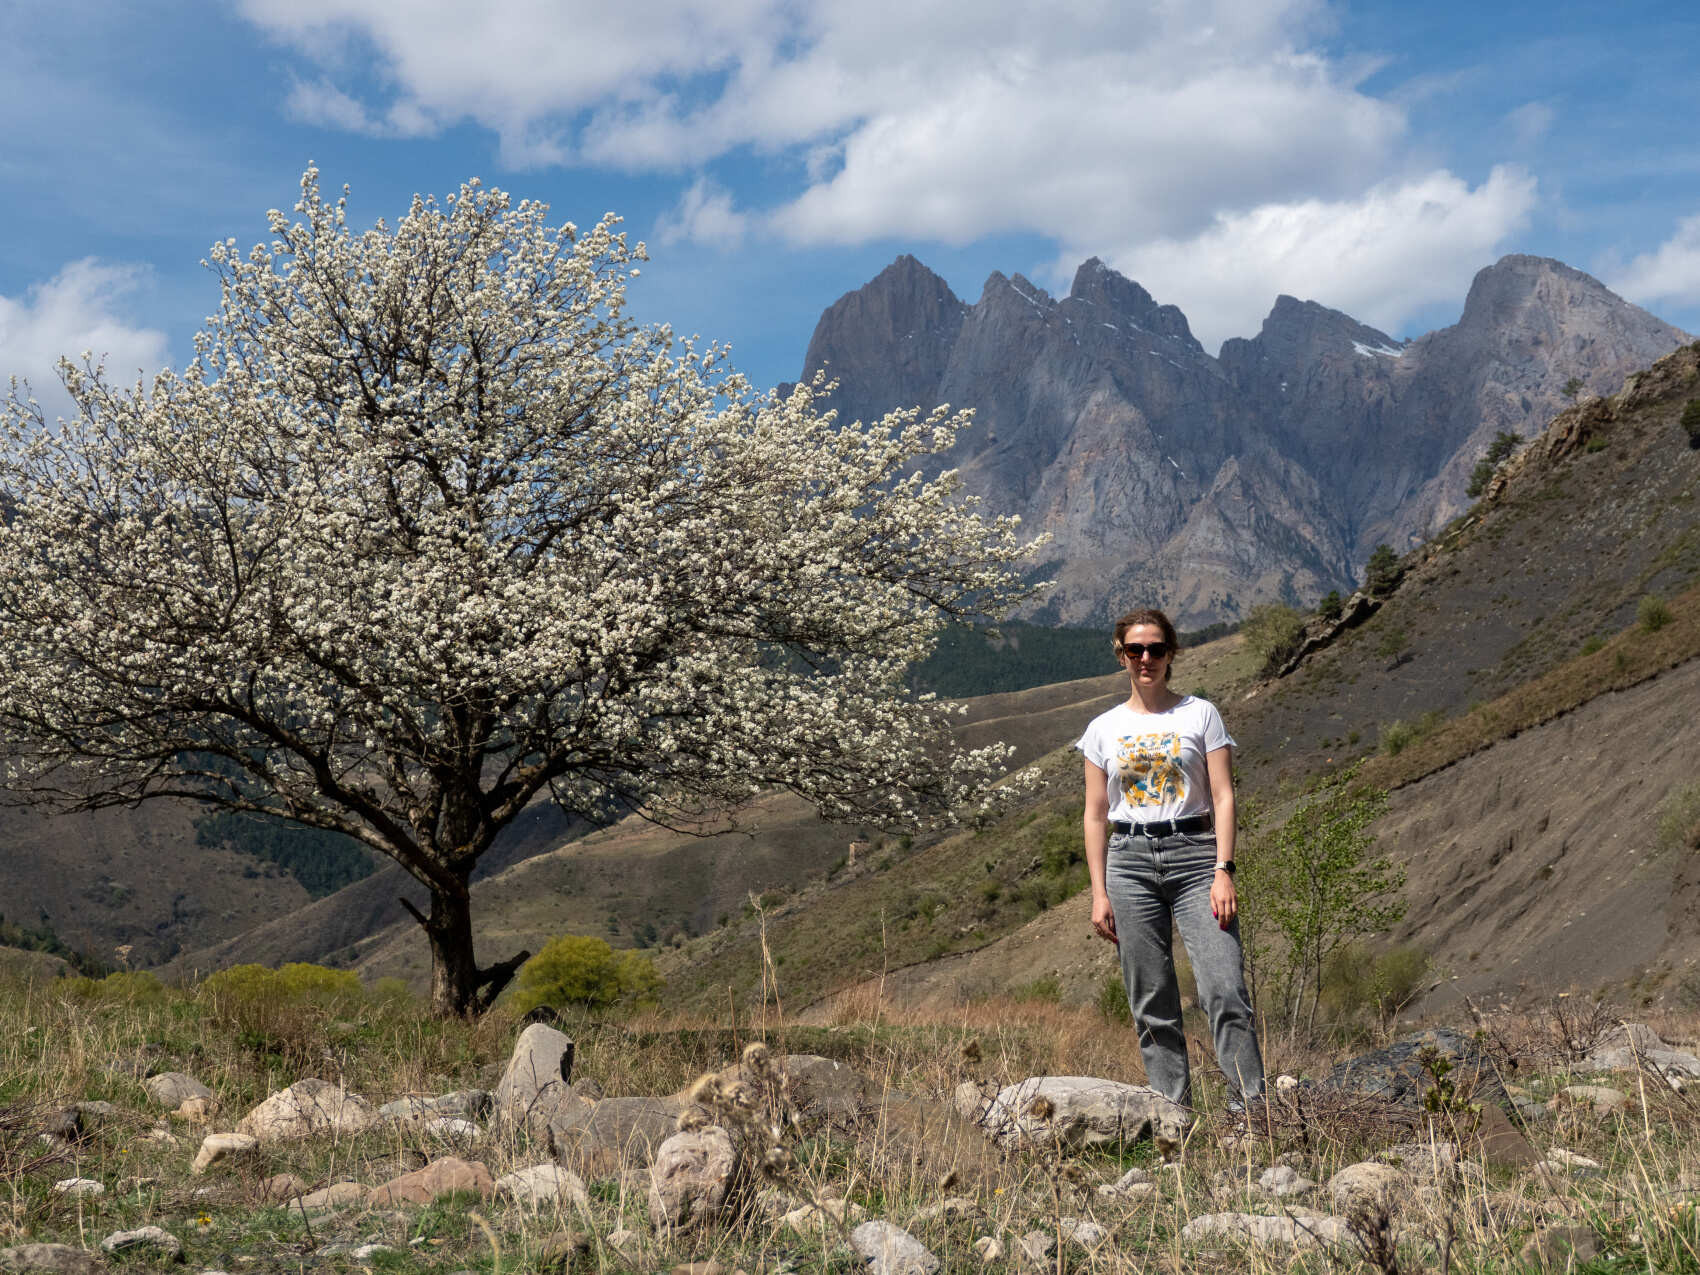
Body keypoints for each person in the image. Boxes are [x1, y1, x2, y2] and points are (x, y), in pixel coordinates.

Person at [1077, 608, 1264, 1108]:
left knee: (1224, 989)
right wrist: (1099, 893)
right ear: (1120, 655)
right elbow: (1095, 814)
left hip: (1196, 856)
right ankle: (1170, 1115)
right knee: (1151, 999)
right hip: (1130, 862)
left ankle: (1251, 1113)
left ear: (1170, 654)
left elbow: (1224, 796)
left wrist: (1224, 869)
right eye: (1135, 649)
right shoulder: (1102, 729)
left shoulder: (1200, 714)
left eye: (1156, 649)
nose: (1146, 658)